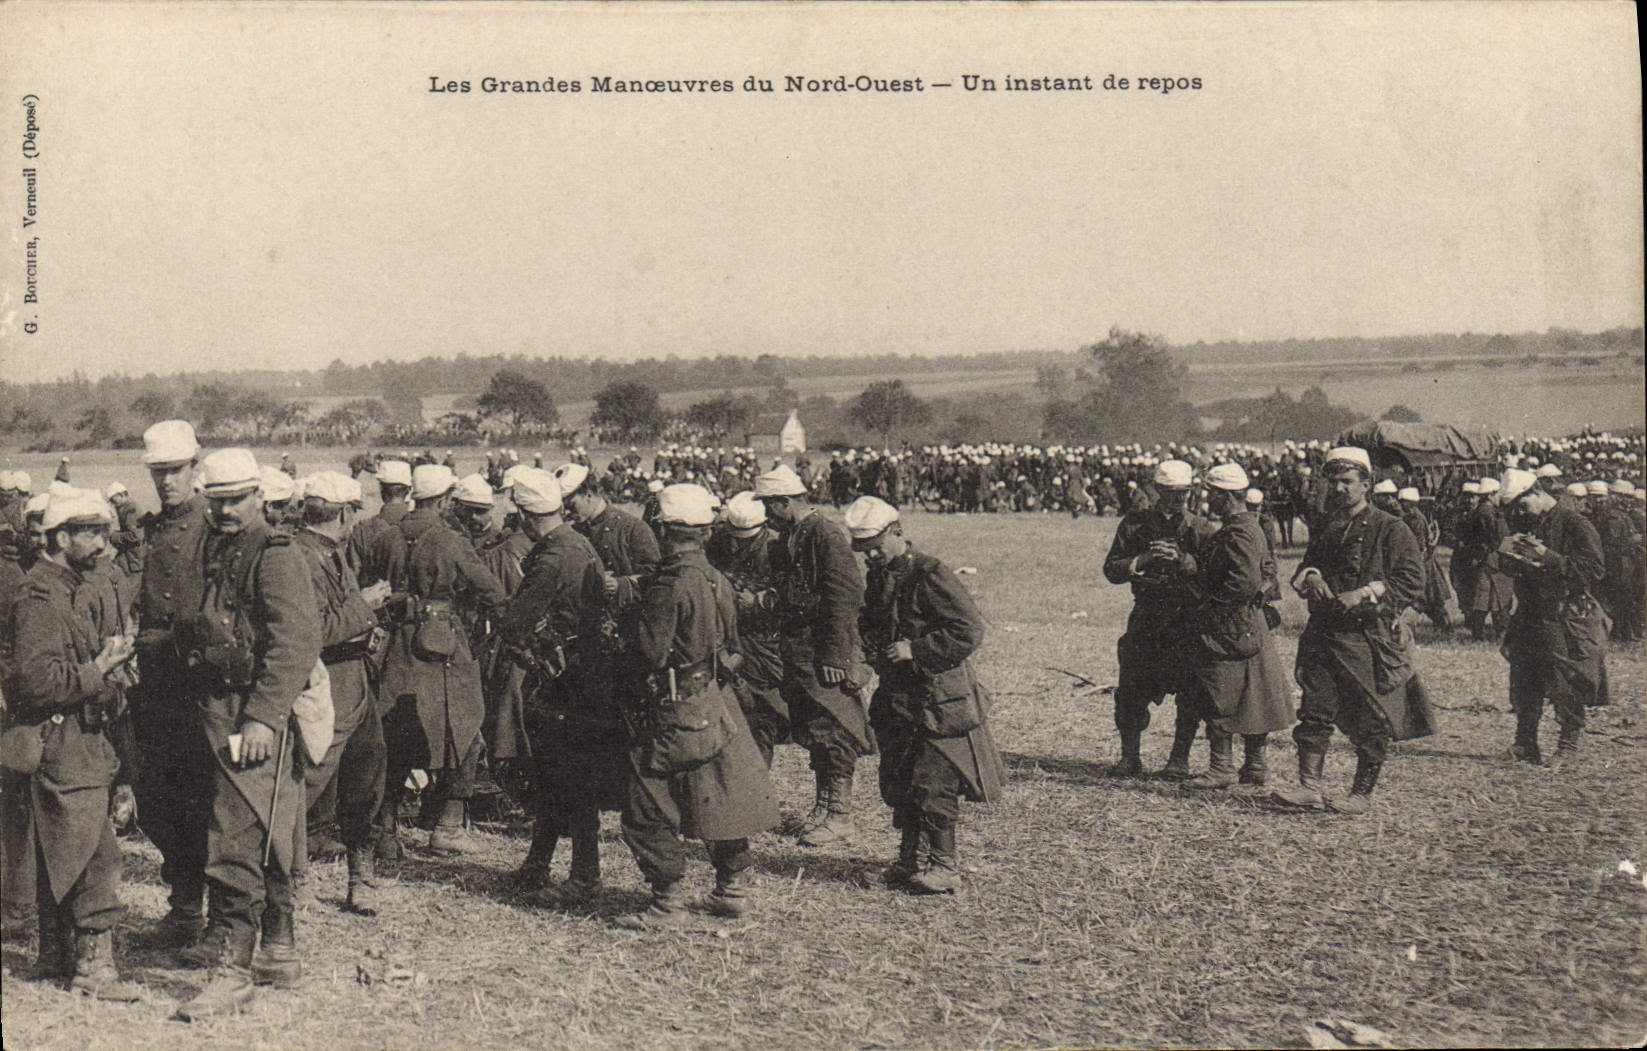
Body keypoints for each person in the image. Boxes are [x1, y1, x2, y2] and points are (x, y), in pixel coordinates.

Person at [174, 449, 321, 1020]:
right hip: (217, 707)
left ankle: (233, 973)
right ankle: (278, 947)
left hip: (251, 714)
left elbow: (295, 641)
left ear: (259, 496)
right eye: (217, 501)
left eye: (237, 499)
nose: (227, 510)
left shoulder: (276, 554)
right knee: (263, 821)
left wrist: (263, 715)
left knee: (237, 834)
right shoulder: (216, 546)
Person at [614, 484, 778, 927]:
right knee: (719, 793)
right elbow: (732, 643)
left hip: (673, 706)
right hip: (714, 700)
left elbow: (648, 653)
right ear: (705, 532)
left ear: (664, 530)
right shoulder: (715, 578)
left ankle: (667, 903)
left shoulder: (670, 585)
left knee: (646, 802)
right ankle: (732, 889)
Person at [7, 489, 144, 1000]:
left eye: (106, 533)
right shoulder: (39, 597)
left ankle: (55, 954)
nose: (104, 545)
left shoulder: (66, 587)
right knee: (93, 851)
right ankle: (93, 970)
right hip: (63, 741)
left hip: (76, 738)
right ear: (61, 538)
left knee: (61, 844)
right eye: (93, 534)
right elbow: (36, 683)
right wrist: (99, 668)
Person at [846, 496, 1005, 895]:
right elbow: (871, 626)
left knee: (933, 783)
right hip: (899, 701)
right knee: (900, 780)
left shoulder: (930, 574)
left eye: (876, 547)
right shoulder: (880, 576)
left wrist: (916, 650)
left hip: (938, 702)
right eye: (864, 551)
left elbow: (968, 631)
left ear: (897, 531)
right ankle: (909, 861)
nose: (871, 556)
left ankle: (944, 866)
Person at [1275, 447, 1434, 815]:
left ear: (1367, 484)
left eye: (1347, 481)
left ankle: (1360, 795)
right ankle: (1309, 788)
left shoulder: (1391, 528)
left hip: (1365, 638)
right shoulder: (1327, 524)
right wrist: (1311, 576)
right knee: (1315, 710)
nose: (1339, 488)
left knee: (1370, 717)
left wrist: (1365, 593)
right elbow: (1308, 564)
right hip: (1323, 634)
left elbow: (1412, 580)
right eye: (1333, 481)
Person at [495, 468, 620, 899]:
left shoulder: (550, 558)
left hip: (563, 683)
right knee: (556, 777)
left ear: (526, 516)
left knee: (569, 779)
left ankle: (584, 877)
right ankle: (538, 864)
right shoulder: (580, 543)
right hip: (586, 675)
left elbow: (515, 623)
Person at [376, 464, 508, 858]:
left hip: (396, 646)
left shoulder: (386, 537)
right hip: (443, 650)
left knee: (395, 734)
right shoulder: (451, 541)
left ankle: (384, 832)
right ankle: (448, 827)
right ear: (446, 499)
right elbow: (491, 592)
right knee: (463, 729)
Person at [128, 419, 217, 949]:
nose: (166, 481)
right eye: (158, 472)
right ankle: (183, 903)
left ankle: (202, 912)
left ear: (194, 468)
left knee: (202, 795)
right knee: (158, 795)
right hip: (156, 682)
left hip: (199, 680)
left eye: (175, 470)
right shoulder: (151, 529)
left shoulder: (213, 525)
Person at [754, 463, 873, 847]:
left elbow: (845, 598)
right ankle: (824, 807)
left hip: (823, 655)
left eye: (769, 505)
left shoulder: (824, 535)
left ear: (785, 501)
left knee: (834, 730)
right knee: (814, 732)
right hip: (800, 654)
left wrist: (837, 657)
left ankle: (840, 815)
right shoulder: (793, 535)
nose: (767, 514)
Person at [291, 472, 390, 915]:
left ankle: (360, 876)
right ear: (345, 513)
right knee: (307, 783)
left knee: (364, 780)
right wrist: (365, 606)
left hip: (354, 683)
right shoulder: (302, 558)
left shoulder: (329, 553)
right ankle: (292, 880)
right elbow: (315, 630)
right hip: (324, 686)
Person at [1179, 465, 1295, 789]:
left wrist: (1208, 604)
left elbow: (1243, 582)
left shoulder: (1236, 533)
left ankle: (1221, 768)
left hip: (1228, 625)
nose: (1209, 500)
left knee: (1220, 691)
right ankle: (1255, 764)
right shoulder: (1252, 527)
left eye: (1212, 495)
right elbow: (1266, 572)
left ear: (1226, 496)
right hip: (1248, 624)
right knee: (1253, 693)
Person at [1101, 459, 1217, 779]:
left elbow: (1216, 576)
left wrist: (1184, 560)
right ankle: (1130, 757)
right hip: (1147, 616)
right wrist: (1144, 559)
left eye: (1183, 492)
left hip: (1186, 619)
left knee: (1190, 690)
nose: (1177, 499)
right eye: (1170, 492)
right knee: (1131, 688)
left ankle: (1179, 759)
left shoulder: (1201, 529)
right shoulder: (1135, 525)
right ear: (1157, 490)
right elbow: (1111, 569)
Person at [1495, 469, 1606, 766]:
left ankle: (1568, 745)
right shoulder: (1527, 522)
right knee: (1523, 680)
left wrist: (1549, 557)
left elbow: (1594, 570)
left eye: (1522, 505)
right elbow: (1516, 568)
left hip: (1561, 614)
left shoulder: (1575, 524)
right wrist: (1508, 557)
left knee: (1564, 680)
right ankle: (1525, 743)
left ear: (1536, 492)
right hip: (1529, 613)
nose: (1520, 513)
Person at [707, 491, 788, 767]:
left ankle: (759, 769)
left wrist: (760, 600)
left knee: (760, 711)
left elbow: (792, 596)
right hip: (728, 637)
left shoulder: (778, 548)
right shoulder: (718, 542)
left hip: (762, 641)